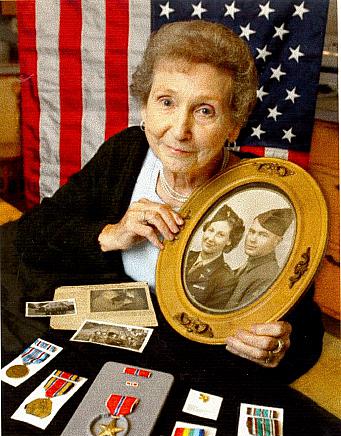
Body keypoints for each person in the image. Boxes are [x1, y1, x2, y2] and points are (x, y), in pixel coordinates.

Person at [1, 20, 324, 378]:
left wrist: (277, 348)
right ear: (144, 106)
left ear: (234, 125)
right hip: (111, 346)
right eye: (166, 102)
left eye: (205, 111)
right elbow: (33, 234)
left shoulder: (265, 193)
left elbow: (306, 332)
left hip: (202, 368)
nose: (180, 130)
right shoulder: (126, 152)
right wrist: (111, 233)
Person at [226, 208, 294, 310]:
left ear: (278, 241)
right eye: (252, 232)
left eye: (263, 235)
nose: (252, 239)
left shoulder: (268, 276)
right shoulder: (248, 267)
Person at [185, 204, 244, 309]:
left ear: (229, 241)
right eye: (211, 230)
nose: (211, 238)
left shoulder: (226, 279)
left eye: (220, 235)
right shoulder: (186, 256)